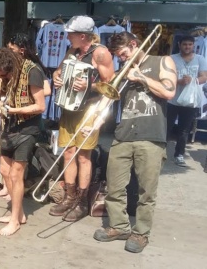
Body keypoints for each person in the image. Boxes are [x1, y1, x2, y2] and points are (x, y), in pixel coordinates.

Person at [91, 31, 177, 253]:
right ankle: (119, 226)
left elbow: (169, 92)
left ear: (134, 44)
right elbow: (108, 101)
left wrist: (142, 77)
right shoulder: (123, 71)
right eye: (119, 55)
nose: (121, 58)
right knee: (114, 186)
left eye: (123, 53)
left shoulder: (162, 61)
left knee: (146, 191)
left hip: (151, 136)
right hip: (123, 135)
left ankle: (141, 234)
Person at [49, 15, 114, 222]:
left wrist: (89, 86)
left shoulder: (100, 53)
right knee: (68, 152)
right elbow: (60, 70)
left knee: (84, 155)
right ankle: (69, 197)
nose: (67, 36)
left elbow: (110, 85)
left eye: (71, 34)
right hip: (69, 107)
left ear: (83, 36)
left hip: (90, 109)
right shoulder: (73, 51)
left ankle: (82, 201)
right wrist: (56, 76)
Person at [0, 47, 46, 236]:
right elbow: (0, 81)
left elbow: (40, 106)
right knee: (4, 170)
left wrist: (12, 111)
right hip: (9, 126)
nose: (2, 77)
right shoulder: (5, 73)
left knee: (16, 174)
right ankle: (19, 213)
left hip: (27, 128)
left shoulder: (33, 72)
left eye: (4, 74)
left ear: (11, 66)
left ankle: (15, 221)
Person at [0, 33, 52, 200]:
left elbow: (45, 93)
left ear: (22, 50)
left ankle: (16, 203)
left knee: (16, 170)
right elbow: (2, 84)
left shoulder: (33, 69)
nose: (8, 52)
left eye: (11, 49)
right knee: (5, 168)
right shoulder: (9, 69)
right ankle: (9, 190)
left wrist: (17, 105)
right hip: (9, 122)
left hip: (26, 123)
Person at [167, 35, 207, 167]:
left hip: (191, 101)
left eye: (190, 44)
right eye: (185, 44)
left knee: (184, 130)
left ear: (193, 45)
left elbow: (204, 77)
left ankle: (179, 154)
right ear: (179, 45)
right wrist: (179, 81)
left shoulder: (200, 59)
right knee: (167, 126)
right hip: (173, 99)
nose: (187, 47)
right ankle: (160, 151)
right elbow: (167, 77)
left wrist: (193, 80)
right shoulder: (172, 59)